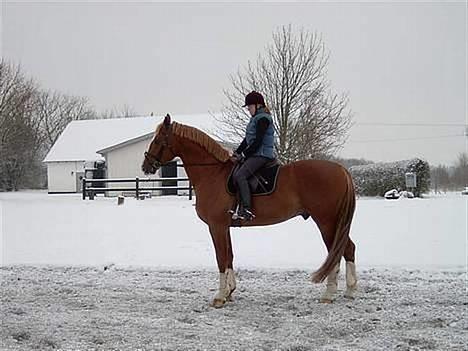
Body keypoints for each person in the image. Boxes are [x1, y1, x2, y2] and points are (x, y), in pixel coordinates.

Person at [231, 91, 276, 221]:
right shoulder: (255, 119)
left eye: (249, 107)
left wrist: (244, 154)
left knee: (240, 175)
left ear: (258, 105)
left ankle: (246, 208)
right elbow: (247, 140)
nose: (248, 110)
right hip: (256, 153)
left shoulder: (263, 118)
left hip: (262, 154)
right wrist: (237, 152)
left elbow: (258, 142)